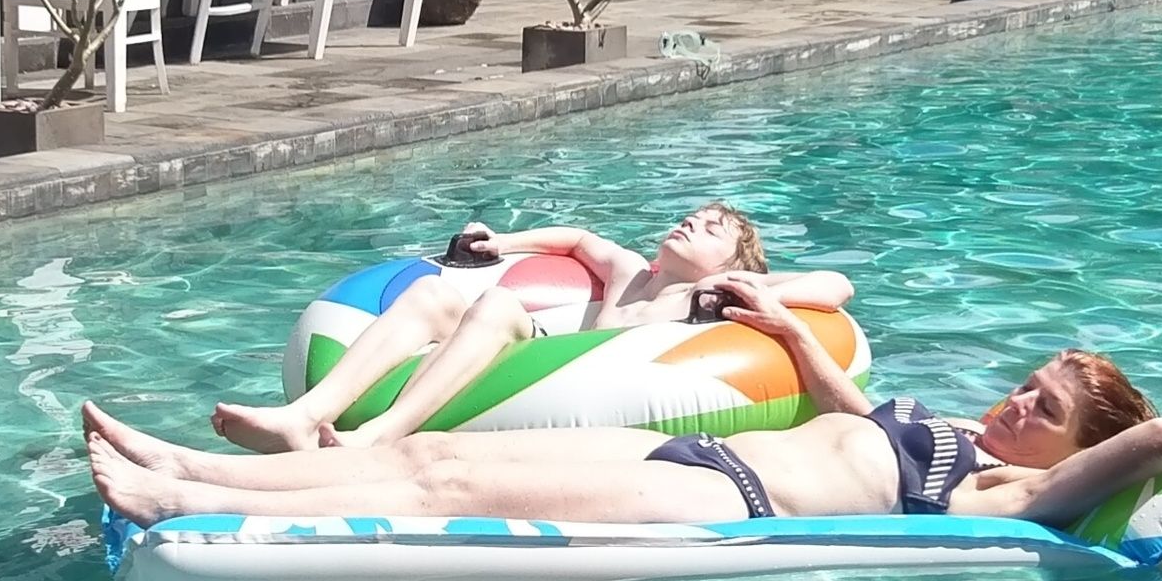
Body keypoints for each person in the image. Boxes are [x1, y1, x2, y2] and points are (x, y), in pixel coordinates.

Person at [102, 277, 1162, 530]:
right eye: (1024, 385)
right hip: (689, 452)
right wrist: (793, 335)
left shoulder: (1005, 495)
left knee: (443, 479)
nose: (1014, 407)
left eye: (1042, 410)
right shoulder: (947, 437)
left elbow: (1074, 488)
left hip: (731, 494)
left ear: (1074, 449)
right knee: (435, 446)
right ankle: (190, 468)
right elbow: (855, 409)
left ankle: (189, 497)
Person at [210, 202, 855, 452]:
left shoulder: (707, 298)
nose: (692, 223)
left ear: (735, 261)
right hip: (545, 359)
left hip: (583, 384)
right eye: (693, 215)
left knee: (492, 310)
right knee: (434, 294)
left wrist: (750, 291)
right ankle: (306, 413)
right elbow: (579, 239)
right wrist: (502, 243)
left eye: (713, 229)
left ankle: (376, 435)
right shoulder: (632, 273)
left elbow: (837, 286)